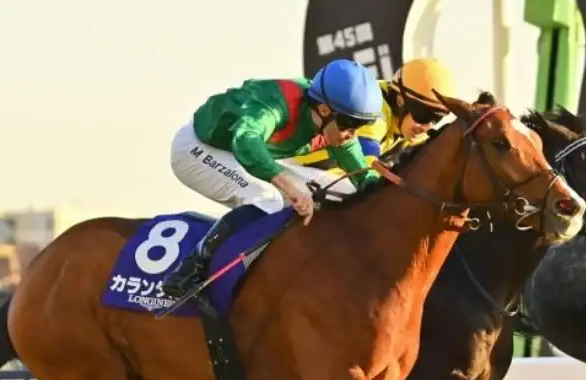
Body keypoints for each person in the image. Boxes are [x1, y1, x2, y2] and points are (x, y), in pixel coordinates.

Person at [161, 58, 385, 299]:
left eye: (360, 126)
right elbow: (245, 140)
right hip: (197, 147)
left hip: (238, 153)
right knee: (267, 198)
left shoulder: (333, 124)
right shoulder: (276, 105)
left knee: (319, 198)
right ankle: (190, 269)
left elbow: (360, 171)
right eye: (349, 124)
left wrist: (384, 190)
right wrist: (287, 186)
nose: (352, 134)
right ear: (323, 110)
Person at [286, 57, 455, 182]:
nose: (427, 127)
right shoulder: (377, 113)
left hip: (325, 175)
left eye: (436, 119)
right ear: (401, 101)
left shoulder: (412, 128)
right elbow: (366, 159)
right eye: (424, 116)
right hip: (297, 169)